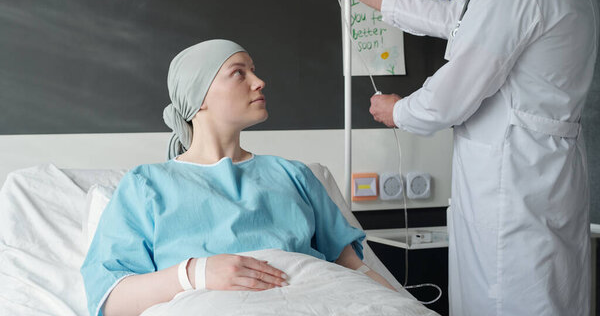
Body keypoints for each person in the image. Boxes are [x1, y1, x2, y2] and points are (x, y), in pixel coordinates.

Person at [319, 0, 598, 315]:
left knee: (509, 300)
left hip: (513, 193)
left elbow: (453, 94)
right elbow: (465, 22)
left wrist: (399, 110)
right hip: (547, 182)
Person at [80, 39, 394, 316]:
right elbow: (111, 299)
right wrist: (197, 273)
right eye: (239, 73)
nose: (259, 82)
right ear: (198, 95)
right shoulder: (147, 185)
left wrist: (401, 305)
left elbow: (352, 267)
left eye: (254, 71)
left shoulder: (294, 174)